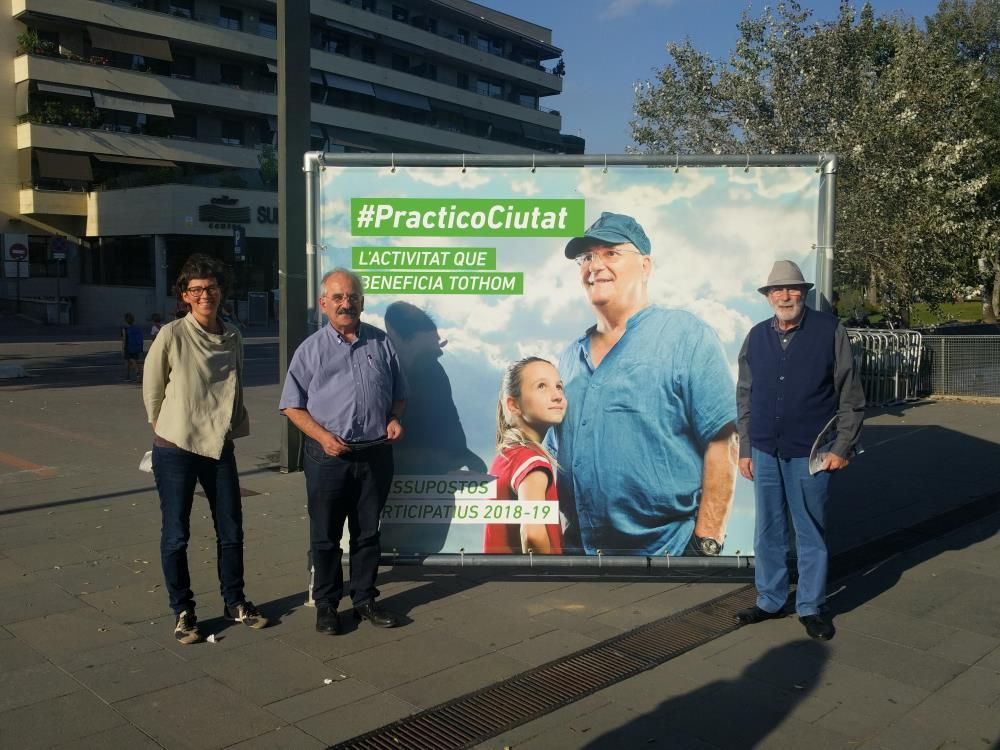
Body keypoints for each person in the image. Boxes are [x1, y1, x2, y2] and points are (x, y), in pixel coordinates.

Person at [550, 212, 738, 557]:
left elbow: (723, 440)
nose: (595, 265)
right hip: (580, 555)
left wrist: (705, 543)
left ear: (645, 265)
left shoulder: (686, 336)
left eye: (611, 253)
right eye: (587, 257)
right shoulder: (568, 358)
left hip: (668, 553)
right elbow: (554, 455)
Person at [735, 260, 864, 641]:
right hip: (764, 449)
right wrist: (745, 447)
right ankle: (770, 600)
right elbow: (745, 395)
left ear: (803, 293)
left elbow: (851, 396)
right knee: (768, 529)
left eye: (792, 288)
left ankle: (810, 606)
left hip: (812, 452)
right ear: (768, 296)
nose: (785, 295)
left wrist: (843, 446)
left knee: (809, 531)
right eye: (777, 290)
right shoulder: (756, 336)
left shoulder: (829, 330)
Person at [143, 254, 268, 644]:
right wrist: (166, 429)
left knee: (230, 528)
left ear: (221, 292)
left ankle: (235, 601)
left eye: (211, 288)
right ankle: (183, 611)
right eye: (195, 289)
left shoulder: (233, 336)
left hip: (218, 445)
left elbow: (236, 384)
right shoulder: (172, 335)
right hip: (176, 447)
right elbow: (152, 390)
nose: (204, 295)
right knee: (176, 534)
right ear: (184, 295)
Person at [279, 269, 407, 635]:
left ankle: (364, 599)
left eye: (352, 297)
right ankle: (327, 605)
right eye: (337, 297)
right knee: (326, 535)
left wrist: (394, 418)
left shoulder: (381, 343)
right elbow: (291, 406)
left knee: (368, 534)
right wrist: (322, 437)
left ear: (362, 303)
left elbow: (399, 393)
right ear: (324, 304)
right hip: (329, 457)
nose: (345, 304)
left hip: (375, 454)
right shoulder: (311, 350)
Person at [384, 302, 486, 475]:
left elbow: (448, 418)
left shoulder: (433, 372)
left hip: (425, 473)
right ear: (396, 338)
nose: (439, 353)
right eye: (428, 351)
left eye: (438, 346)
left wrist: (461, 453)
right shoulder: (376, 373)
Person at [484, 357, 565, 554]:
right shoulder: (531, 460)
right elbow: (533, 536)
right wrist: (551, 570)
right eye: (541, 386)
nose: (557, 396)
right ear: (514, 405)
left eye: (559, 386)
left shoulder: (505, 456)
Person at [121, 312, 143, 382]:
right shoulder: (136, 328)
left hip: (128, 348)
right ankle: (132, 376)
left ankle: (132, 376)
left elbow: (124, 340)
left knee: (129, 362)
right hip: (136, 347)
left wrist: (123, 349)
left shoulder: (125, 329)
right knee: (134, 361)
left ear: (125, 320)